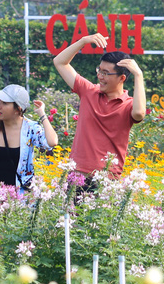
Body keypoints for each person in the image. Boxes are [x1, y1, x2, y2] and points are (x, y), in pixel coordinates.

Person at [53, 33, 146, 189]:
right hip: (77, 174)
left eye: (105, 73)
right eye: (99, 70)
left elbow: (139, 113)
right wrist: (83, 41)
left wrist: (138, 75)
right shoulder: (88, 91)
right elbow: (60, 62)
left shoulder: (128, 105)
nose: (100, 76)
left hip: (107, 180)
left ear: (122, 78)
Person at [0, 84, 59, 209]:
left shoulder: (30, 128)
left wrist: (42, 114)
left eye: (4, 103)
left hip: (19, 200)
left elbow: (52, 142)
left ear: (18, 109)